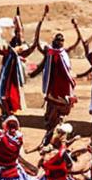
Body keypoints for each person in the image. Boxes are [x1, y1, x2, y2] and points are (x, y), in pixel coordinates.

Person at [26, 15, 81, 146]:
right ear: (55, 42)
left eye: (62, 41)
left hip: (62, 94)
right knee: (51, 119)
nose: (60, 42)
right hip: (53, 94)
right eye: (59, 40)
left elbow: (77, 41)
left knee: (58, 118)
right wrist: (41, 20)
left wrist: (77, 27)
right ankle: (49, 140)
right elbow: (40, 58)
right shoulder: (50, 54)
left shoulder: (61, 54)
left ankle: (57, 141)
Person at [0, 12, 40, 118]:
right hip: (8, 75)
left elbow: (27, 42)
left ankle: (7, 112)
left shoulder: (21, 48)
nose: (18, 32)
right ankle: (6, 112)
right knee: (3, 94)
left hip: (15, 75)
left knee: (9, 94)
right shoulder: (10, 49)